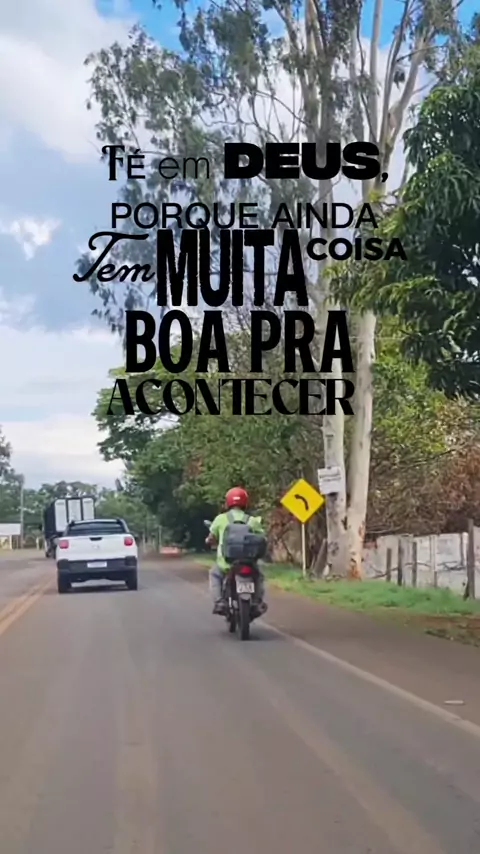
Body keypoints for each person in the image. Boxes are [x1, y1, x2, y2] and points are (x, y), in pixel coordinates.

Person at [205, 486, 267, 616]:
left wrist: (209, 541)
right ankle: (257, 602)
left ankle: (219, 602)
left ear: (228, 502)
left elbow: (211, 538)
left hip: (226, 563)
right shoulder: (252, 520)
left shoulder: (220, 519)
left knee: (214, 574)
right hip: (249, 562)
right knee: (259, 576)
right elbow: (262, 537)